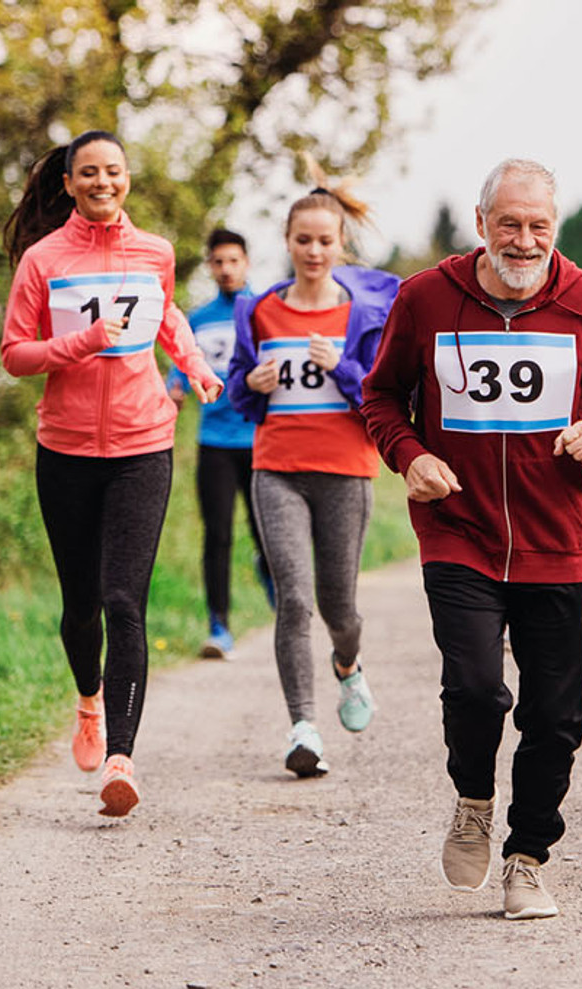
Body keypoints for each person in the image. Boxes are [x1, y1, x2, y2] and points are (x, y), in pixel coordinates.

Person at [361, 159, 582, 921]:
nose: (523, 241)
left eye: (539, 227)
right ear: (482, 222)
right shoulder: (426, 297)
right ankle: (474, 797)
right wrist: (410, 455)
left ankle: (527, 858)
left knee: (556, 714)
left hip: (556, 538)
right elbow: (382, 394)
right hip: (458, 529)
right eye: (510, 224)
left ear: (555, 231)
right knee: (475, 687)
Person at [0, 130, 223, 817]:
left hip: (142, 442)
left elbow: (167, 315)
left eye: (114, 171)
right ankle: (89, 700)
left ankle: (121, 760)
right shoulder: (43, 260)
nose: (103, 181)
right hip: (65, 449)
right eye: (89, 172)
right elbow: (15, 353)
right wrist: (83, 342)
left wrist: (195, 363)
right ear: (68, 183)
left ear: (127, 178)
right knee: (81, 606)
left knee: (126, 600)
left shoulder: (154, 250)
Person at [227, 167, 400, 777]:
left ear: (340, 243)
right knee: (294, 600)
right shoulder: (261, 310)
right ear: (288, 241)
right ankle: (303, 726)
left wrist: (345, 369)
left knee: (339, 607)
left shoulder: (362, 313)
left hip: (345, 473)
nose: (314, 251)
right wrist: (250, 382)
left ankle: (348, 665)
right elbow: (239, 396)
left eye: (325, 241)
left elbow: (381, 397)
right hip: (277, 470)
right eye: (304, 240)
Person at [166, 228, 273, 660]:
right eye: (218, 262)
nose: (226, 269)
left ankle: (281, 603)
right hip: (214, 442)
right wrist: (174, 388)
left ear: (246, 262)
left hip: (261, 439)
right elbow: (180, 369)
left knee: (267, 535)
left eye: (233, 261)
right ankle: (219, 627)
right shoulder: (198, 319)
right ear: (209, 266)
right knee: (218, 536)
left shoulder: (266, 312)